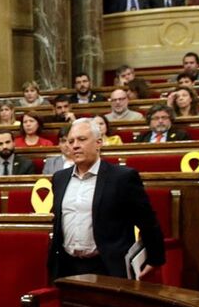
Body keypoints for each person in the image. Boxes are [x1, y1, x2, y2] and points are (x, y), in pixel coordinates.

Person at [47, 118, 165, 280]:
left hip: (107, 266)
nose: (74, 145)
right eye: (71, 141)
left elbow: (147, 221)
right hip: (67, 266)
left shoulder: (122, 177)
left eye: (82, 139)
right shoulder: (60, 178)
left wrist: (154, 258)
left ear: (99, 143)